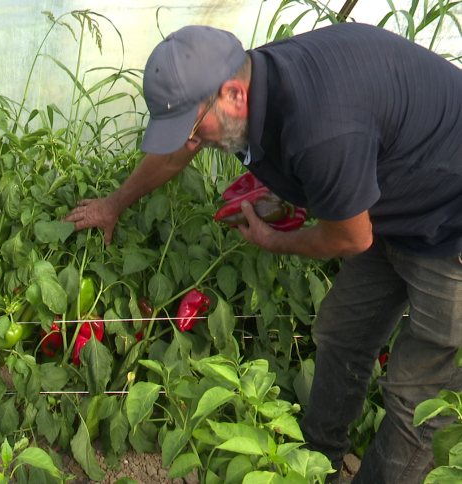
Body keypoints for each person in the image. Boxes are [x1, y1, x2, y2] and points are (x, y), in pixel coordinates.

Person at [63, 23, 462, 484]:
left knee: (418, 399)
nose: (193, 141)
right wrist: (114, 204)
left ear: (233, 94)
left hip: (449, 224)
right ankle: (316, 466)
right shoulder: (250, 77)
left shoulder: (319, 130)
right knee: (342, 334)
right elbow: (179, 151)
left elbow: (351, 239)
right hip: (388, 200)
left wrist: (274, 242)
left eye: (193, 127)